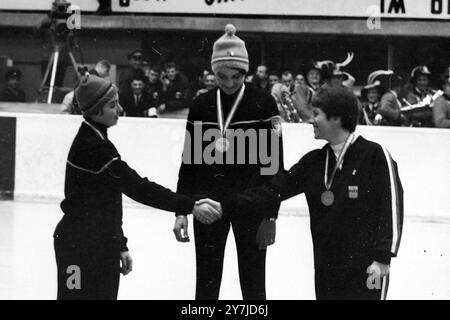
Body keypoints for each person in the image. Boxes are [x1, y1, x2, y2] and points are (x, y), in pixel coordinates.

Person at [53, 74, 222, 300]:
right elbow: (139, 188)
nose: (120, 109)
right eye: (113, 105)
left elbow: (108, 202)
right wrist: (191, 205)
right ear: (95, 111)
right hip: (77, 247)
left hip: (99, 243)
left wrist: (119, 244)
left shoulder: (98, 139)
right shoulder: (92, 147)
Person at [226, 86, 404, 300]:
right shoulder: (313, 162)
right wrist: (224, 204)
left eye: (317, 113)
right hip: (327, 267)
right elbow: (272, 190)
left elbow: (392, 207)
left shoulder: (375, 155)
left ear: (336, 118)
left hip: (367, 268)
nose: (311, 120)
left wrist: (383, 258)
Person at [173, 24, 283, 300]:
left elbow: (274, 164)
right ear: (213, 72)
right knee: (206, 285)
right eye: (222, 76)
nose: (229, 83)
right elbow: (189, 163)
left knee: (254, 284)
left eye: (236, 76)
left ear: (246, 72)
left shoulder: (265, 104)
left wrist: (271, 214)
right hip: (208, 205)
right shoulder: (201, 104)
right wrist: (181, 210)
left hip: (251, 205)